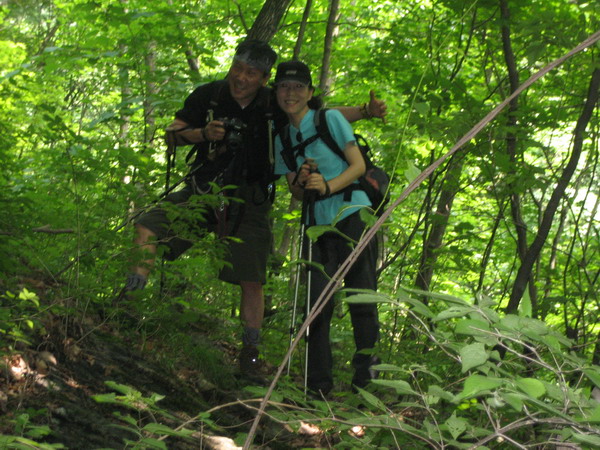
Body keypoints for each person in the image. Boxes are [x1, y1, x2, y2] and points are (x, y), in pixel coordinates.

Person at [122, 40, 387, 381]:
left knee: (252, 277)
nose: (241, 78)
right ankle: (128, 305)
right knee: (147, 226)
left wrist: (365, 112)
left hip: (252, 199)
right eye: (238, 69)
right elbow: (172, 135)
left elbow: (317, 113)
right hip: (204, 190)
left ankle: (250, 353)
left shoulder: (272, 102)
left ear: (263, 79)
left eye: (251, 73)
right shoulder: (209, 96)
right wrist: (203, 134)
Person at [273, 60, 380, 395]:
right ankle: (317, 387)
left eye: (298, 87)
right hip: (315, 223)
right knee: (316, 304)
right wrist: (304, 181)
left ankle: (367, 384)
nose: (290, 93)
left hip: (353, 212)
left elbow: (358, 165)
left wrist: (328, 185)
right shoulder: (282, 137)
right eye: (284, 87)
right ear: (276, 92)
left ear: (310, 93)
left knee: (361, 297)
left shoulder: (330, 118)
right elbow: (294, 190)